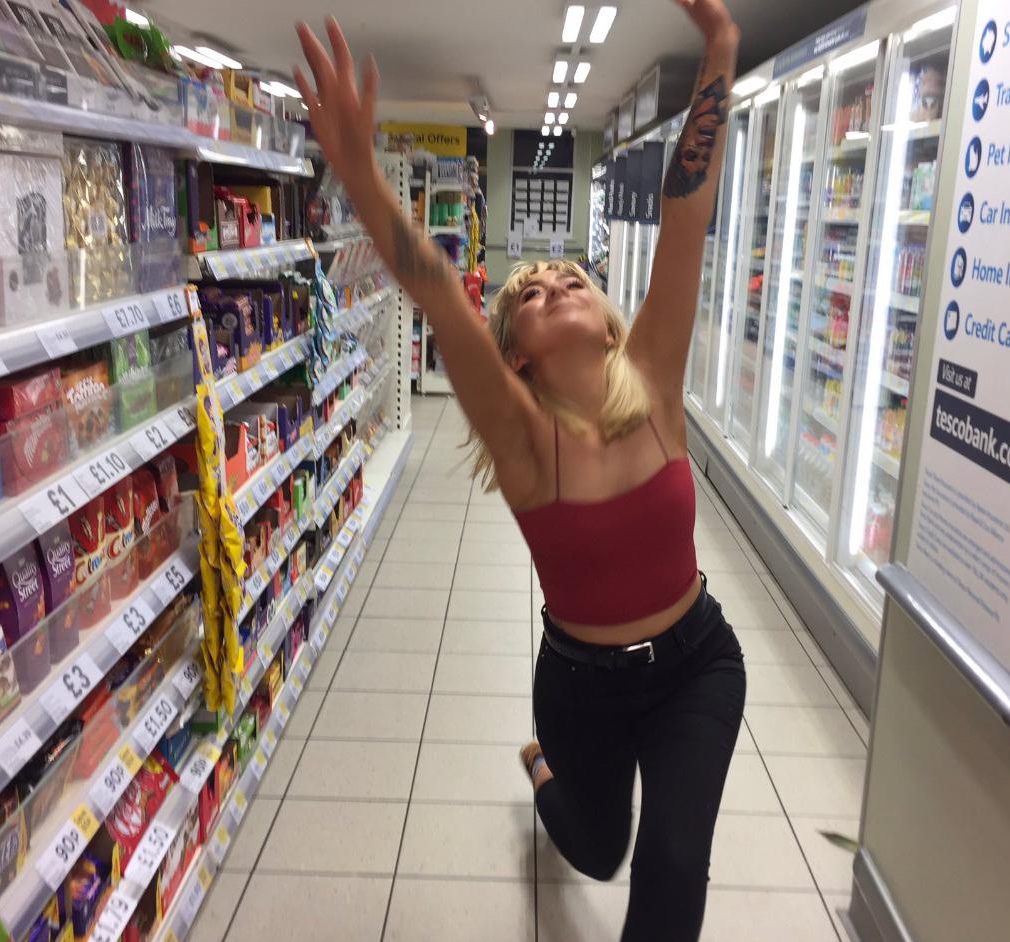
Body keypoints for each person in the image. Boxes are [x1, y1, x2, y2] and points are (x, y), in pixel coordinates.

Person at [294, 3, 745, 938]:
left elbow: (686, 212)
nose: (555, 282)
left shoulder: (656, 382)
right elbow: (432, 290)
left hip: (697, 664)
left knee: (670, 863)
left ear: (608, 321)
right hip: (581, 684)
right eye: (531, 292)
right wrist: (362, 177)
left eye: (571, 277)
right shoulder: (524, 442)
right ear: (518, 357)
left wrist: (721, 47)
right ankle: (543, 773)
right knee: (597, 848)